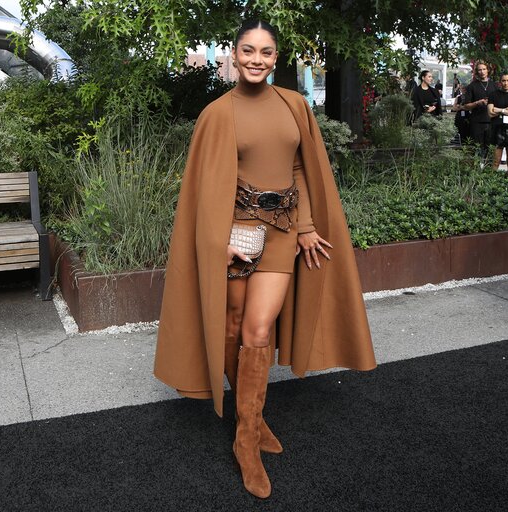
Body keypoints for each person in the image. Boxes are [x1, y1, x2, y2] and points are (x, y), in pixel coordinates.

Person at [154, 19, 376, 499]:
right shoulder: (217, 113)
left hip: (281, 233)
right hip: (235, 234)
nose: (257, 59)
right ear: (233, 54)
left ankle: (246, 437)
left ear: (277, 58)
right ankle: (250, 418)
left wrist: (309, 226)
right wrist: (217, 241)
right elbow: (203, 189)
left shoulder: (294, 105)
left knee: (259, 328)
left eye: (266, 52)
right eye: (248, 50)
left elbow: (301, 166)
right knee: (232, 326)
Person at [463, 62, 497, 156]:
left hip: (492, 121)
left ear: (488, 70)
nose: (482, 72)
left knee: (490, 150)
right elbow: (466, 106)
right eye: (479, 70)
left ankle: (488, 170)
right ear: (477, 72)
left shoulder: (494, 85)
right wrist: (477, 103)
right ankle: (476, 169)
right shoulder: (472, 86)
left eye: (484, 69)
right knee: (476, 149)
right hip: (476, 122)